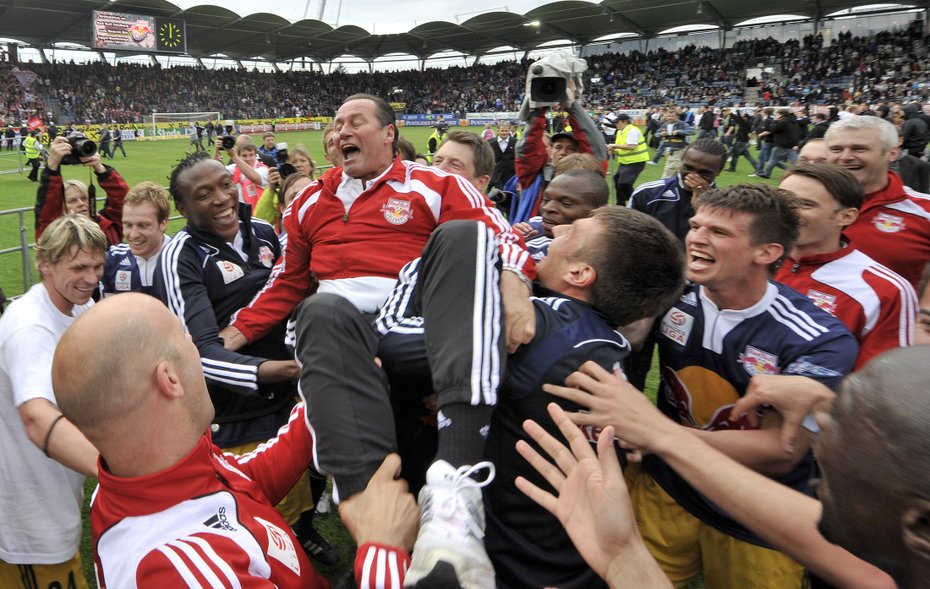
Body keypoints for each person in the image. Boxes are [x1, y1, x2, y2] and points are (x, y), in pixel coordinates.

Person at [220, 93, 535, 588]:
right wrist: (228, 337)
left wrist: (515, 287)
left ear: (389, 134)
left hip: (413, 324)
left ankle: (455, 489)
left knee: (465, 237)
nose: (342, 131)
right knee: (321, 309)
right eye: (337, 123)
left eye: (356, 121)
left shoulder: (435, 184)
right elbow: (287, 282)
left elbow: (500, 235)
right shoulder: (307, 202)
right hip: (337, 336)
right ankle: (377, 524)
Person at [52, 293, 419, 589]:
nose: (196, 346)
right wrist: (383, 550)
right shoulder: (181, 572)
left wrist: (325, 399)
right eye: (184, 337)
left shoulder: (147, 471)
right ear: (170, 379)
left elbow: (240, 481)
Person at [629, 183, 858, 588]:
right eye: (696, 226)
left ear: (767, 252)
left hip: (757, 515)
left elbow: (780, 452)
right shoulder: (673, 295)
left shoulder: (816, 338)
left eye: (718, 232)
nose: (696, 238)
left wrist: (657, 435)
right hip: (669, 487)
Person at [481, 206, 686, 589]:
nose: (556, 233)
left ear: (579, 273)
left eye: (572, 231)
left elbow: (399, 348)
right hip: (574, 557)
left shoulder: (541, 326)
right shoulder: (605, 341)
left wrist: (511, 277)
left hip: (509, 558)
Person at [155, 151, 334, 565]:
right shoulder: (182, 255)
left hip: (288, 395)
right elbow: (200, 354)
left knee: (299, 493)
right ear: (182, 207)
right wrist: (284, 370)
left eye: (225, 184)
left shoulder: (265, 233)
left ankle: (305, 533)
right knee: (255, 521)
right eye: (204, 194)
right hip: (235, 412)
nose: (222, 198)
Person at [0, 214, 103, 589]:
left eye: (97, 266)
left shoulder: (80, 308)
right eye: (79, 267)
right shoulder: (30, 325)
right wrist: (120, 471)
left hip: (54, 494)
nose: (91, 278)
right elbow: (36, 417)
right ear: (45, 262)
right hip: (27, 519)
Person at [776, 163, 916, 368]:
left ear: (846, 216)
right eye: (782, 201)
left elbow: (884, 377)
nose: (788, 212)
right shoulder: (750, 259)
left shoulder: (885, 290)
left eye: (806, 204)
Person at [826, 114, 930, 289]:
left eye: (859, 149)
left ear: (892, 153)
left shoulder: (924, 211)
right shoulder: (800, 205)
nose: (845, 157)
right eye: (836, 149)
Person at [35, 135, 128, 246]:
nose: (81, 203)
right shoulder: (56, 235)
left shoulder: (108, 225)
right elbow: (47, 210)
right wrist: (52, 167)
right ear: (62, 207)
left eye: (84, 198)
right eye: (72, 201)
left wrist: (101, 170)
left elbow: (123, 201)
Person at [512, 169, 609, 261]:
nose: (547, 208)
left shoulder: (602, 255)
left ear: (599, 211)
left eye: (566, 203)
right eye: (546, 200)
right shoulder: (532, 230)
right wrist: (511, 241)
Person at [101, 181, 171, 297]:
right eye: (128, 225)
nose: (133, 235)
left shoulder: (184, 258)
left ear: (163, 224)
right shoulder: (113, 259)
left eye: (142, 226)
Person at [215, 139, 269, 210]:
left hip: (259, 212)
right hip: (240, 211)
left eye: (251, 155)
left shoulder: (263, 169)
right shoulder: (234, 168)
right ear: (239, 156)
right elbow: (216, 172)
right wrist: (217, 150)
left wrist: (234, 156)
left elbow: (255, 178)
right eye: (244, 156)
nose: (248, 158)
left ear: (256, 155)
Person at [608, 113, 649, 206]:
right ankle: (620, 204)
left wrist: (615, 146)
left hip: (636, 161)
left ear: (625, 121)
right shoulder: (620, 132)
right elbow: (622, 147)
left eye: (617, 122)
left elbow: (631, 146)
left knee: (624, 183)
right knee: (617, 180)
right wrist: (614, 150)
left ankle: (637, 203)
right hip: (625, 162)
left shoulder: (632, 130)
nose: (616, 124)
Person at [648, 109, 694, 179]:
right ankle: (678, 181)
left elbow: (692, 131)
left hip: (678, 149)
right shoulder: (665, 125)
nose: (670, 118)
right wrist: (661, 134)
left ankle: (663, 182)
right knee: (675, 168)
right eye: (668, 116)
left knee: (670, 168)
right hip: (668, 149)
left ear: (677, 116)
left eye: (672, 116)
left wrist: (679, 131)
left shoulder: (682, 124)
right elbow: (656, 134)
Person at [488, 122, 517, 190]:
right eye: (502, 130)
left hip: (511, 174)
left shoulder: (515, 142)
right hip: (496, 173)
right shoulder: (490, 142)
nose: (504, 133)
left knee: (509, 193)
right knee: (500, 191)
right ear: (498, 130)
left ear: (509, 131)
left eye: (506, 131)